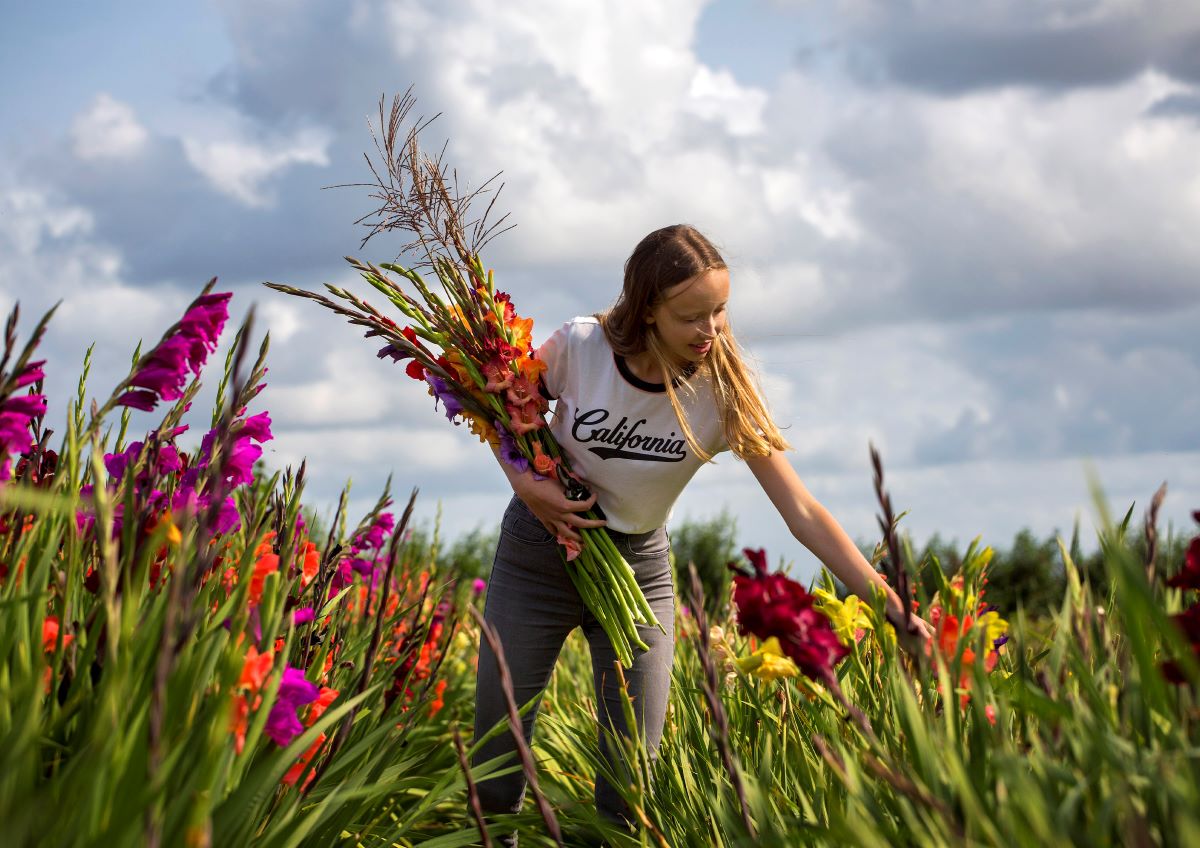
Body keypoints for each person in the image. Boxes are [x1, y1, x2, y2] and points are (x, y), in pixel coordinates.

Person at [471, 224, 933, 837]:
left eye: (719, 311)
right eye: (691, 316)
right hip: (537, 561)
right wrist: (526, 486)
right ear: (647, 311)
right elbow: (497, 406)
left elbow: (802, 511)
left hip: (637, 572)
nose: (710, 332)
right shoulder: (582, 347)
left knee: (632, 781)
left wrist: (889, 604)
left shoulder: (724, 389)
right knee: (497, 767)